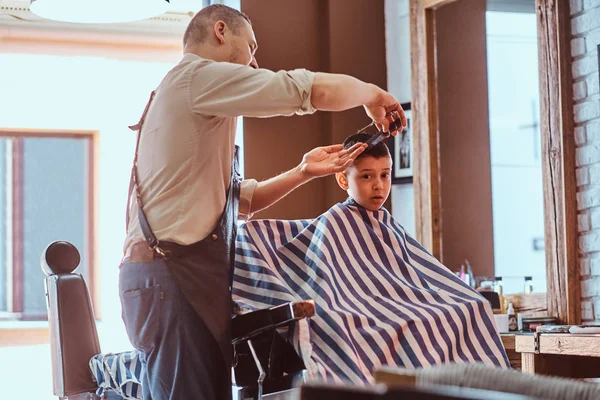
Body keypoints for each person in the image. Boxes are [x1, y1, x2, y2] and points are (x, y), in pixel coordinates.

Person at [119, 4, 406, 400]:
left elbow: (240, 202)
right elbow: (302, 89)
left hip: (168, 278)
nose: (254, 62)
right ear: (221, 31)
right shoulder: (197, 78)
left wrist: (303, 171)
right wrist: (372, 94)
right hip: (172, 279)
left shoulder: (187, 96)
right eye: (250, 47)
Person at [232, 134, 510, 383]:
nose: (379, 186)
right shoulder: (333, 223)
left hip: (395, 309)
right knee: (367, 332)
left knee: (472, 307)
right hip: (355, 312)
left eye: (385, 175)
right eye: (366, 176)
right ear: (343, 179)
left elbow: (412, 279)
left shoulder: (387, 225)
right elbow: (328, 281)